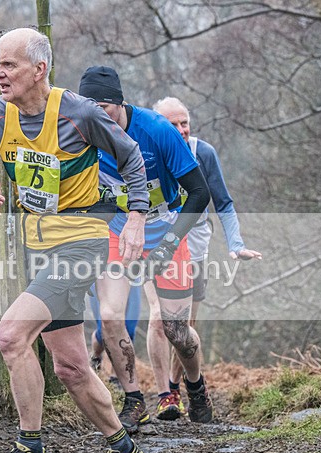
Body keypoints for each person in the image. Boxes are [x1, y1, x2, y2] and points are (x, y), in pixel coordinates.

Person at [0, 29, 150, 453]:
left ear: (39, 69)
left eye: (9, 65)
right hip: (37, 247)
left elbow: (131, 158)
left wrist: (135, 219)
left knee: (10, 335)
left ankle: (30, 451)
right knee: (70, 366)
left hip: (82, 242)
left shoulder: (79, 112)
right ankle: (124, 451)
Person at [78, 66, 214, 430]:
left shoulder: (157, 130)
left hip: (164, 227)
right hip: (118, 232)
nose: (96, 121)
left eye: (103, 111)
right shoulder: (82, 133)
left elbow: (200, 193)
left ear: (119, 104)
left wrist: (169, 244)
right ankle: (134, 398)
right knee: (109, 316)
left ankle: (196, 387)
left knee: (176, 330)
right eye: (89, 112)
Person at [143, 96, 262, 420]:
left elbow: (223, 202)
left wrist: (235, 244)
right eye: (172, 124)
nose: (180, 130)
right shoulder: (143, 151)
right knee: (157, 317)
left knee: (183, 328)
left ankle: (185, 385)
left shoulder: (202, 153)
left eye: (185, 123)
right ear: (157, 126)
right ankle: (165, 396)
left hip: (194, 244)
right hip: (155, 243)